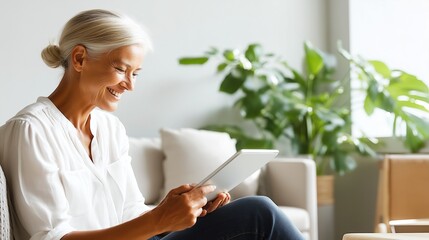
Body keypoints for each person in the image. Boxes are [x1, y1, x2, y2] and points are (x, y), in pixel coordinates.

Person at [0, 9, 304, 240]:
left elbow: (131, 214)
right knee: (260, 213)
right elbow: (53, 237)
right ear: (79, 58)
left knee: (249, 215)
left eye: (136, 73)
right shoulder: (31, 131)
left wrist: (174, 212)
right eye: (121, 69)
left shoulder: (109, 129)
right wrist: (159, 221)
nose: (129, 85)